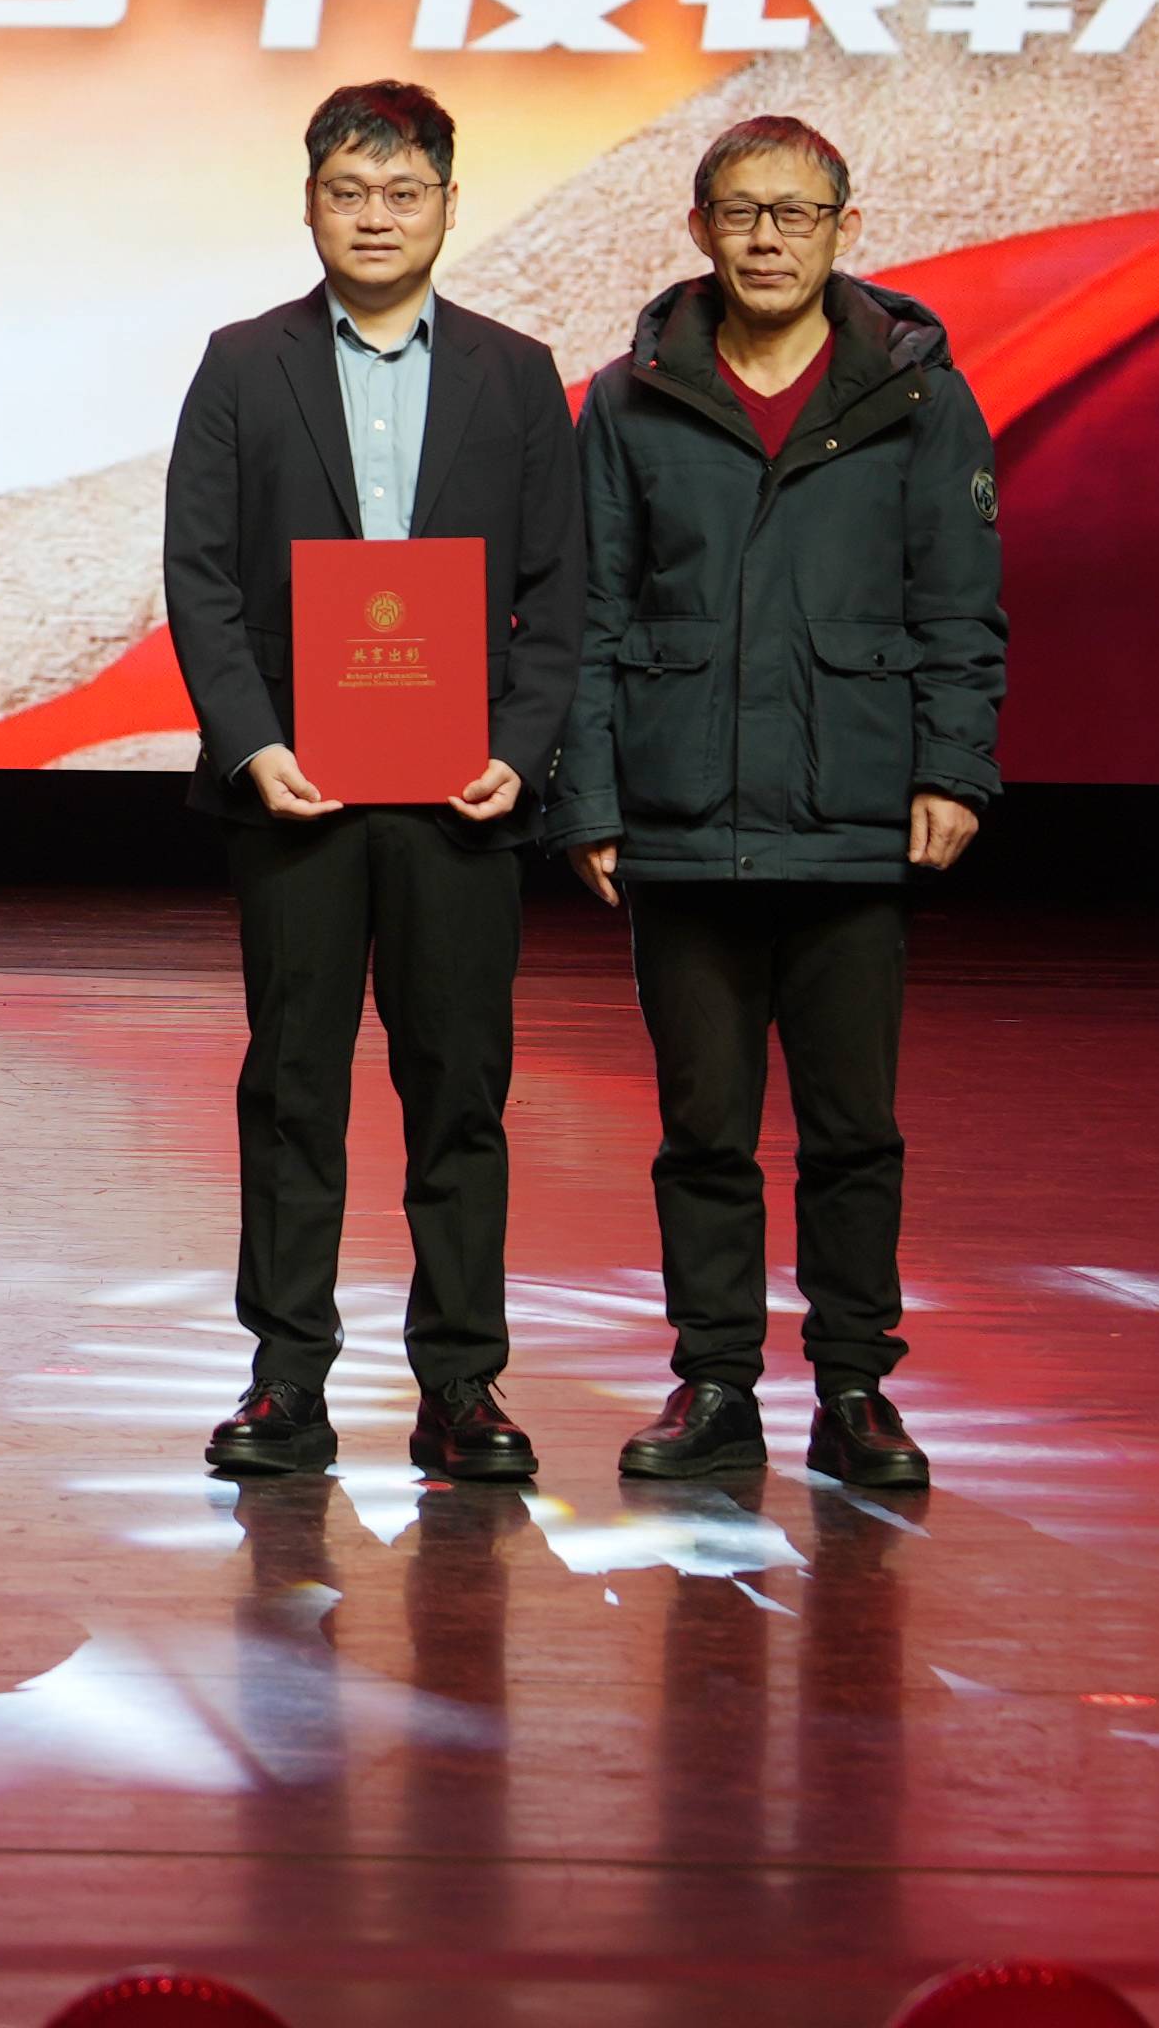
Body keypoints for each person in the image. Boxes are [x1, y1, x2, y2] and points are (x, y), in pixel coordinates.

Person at [557, 115, 1006, 1491]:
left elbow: (960, 604)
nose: (767, 239)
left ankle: (857, 1389)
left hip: (850, 805)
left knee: (852, 1129)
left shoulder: (920, 395)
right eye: (742, 213)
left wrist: (952, 767)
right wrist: (590, 796)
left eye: (796, 214)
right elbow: (587, 613)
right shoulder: (627, 397)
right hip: (683, 814)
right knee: (703, 1131)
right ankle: (714, 1385)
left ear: (842, 229)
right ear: (699, 230)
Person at [155, 78, 582, 1486]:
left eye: (406, 193)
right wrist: (250, 740)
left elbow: (559, 592)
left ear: (449, 205)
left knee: (459, 1090)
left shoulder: (516, 373)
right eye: (351, 192)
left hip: (463, 796)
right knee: (293, 1088)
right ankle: (287, 1379)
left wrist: (520, 748)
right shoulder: (243, 363)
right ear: (310, 204)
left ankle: (463, 1383)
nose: (378, 217)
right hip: (300, 791)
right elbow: (201, 576)